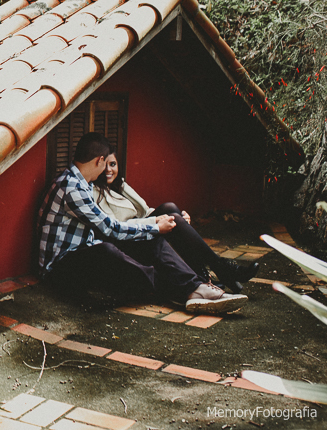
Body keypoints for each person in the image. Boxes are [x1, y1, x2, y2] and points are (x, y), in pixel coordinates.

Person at [38, 132, 247, 314]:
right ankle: (189, 289)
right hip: (59, 269)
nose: (105, 170)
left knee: (150, 241)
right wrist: (155, 225)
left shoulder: (79, 183)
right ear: (99, 161)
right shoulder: (72, 187)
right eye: (105, 164)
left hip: (85, 253)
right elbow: (110, 227)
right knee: (109, 251)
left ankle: (196, 288)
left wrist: (153, 225)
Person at [93, 149, 259, 293]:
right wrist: (156, 224)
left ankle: (207, 273)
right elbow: (116, 227)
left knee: (170, 208)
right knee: (173, 217)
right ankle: (219, 269)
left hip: (139, 231)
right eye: (105, 165)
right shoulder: (95, 191)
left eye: (113, 164)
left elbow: (145, 211)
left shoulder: (119, 185)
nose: (109, 170)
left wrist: (178, 218)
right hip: (124, 242)